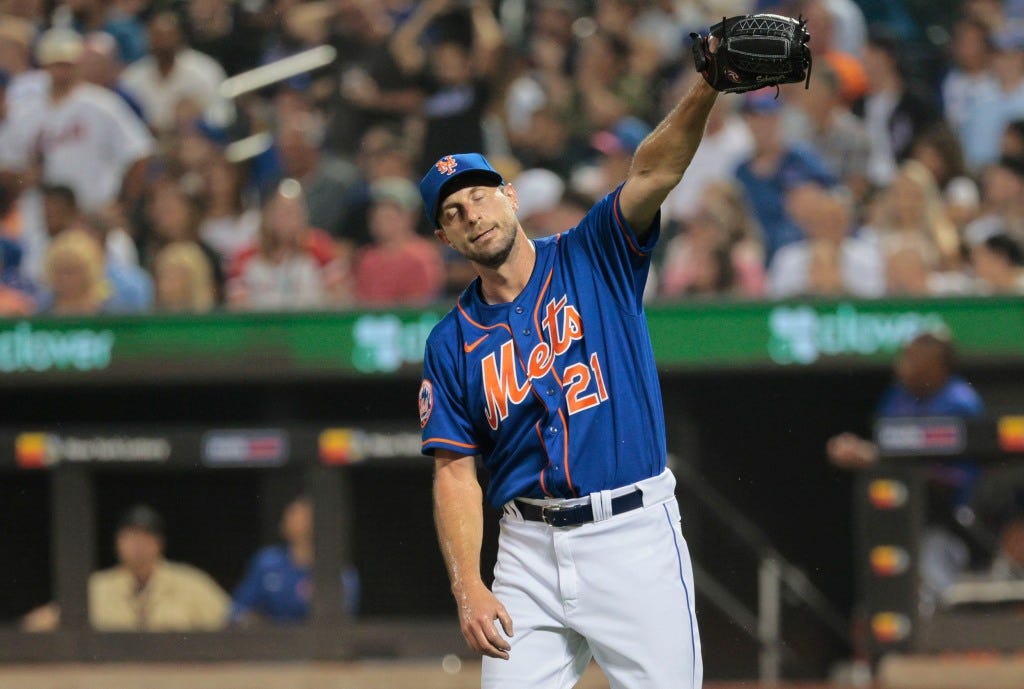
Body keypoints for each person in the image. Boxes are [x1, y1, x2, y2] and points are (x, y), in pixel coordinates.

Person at [417, 37, 721, 687]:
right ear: (445, 238)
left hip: (631, 534)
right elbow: (453, 471)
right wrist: (469, 582)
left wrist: (707, 87)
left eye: (478, 195)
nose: (471, 213)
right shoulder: (451, 341)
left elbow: (652, 173)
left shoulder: (593, 253)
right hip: (526, 549)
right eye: (453, 212)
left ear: (509, 195)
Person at [827, 333, 986, 606]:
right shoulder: (899, 397)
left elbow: (947, 478)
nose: (901, 365)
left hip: (951, 520)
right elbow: (889, 448)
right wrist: (864, 452)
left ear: (935, 364)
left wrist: (872, 458)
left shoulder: (960, 401)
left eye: (911, 358)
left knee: (932, 585)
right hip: (903, 519)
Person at [21, 504, 230, 632]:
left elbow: (234, 622)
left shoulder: (191, 582)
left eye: (146, 536)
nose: (138, 544)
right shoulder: (97, 587)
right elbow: (44, 621)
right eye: (130, 536)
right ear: (117, 543)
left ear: (159, 543)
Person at [229, 495, 359, 625]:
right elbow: (238, 610)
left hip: (316, 642)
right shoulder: (267, 562)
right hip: (270, 641)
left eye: (305, 514)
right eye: (293, 513)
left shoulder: (339, 571)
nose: (298, 519)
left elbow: (342, 621)